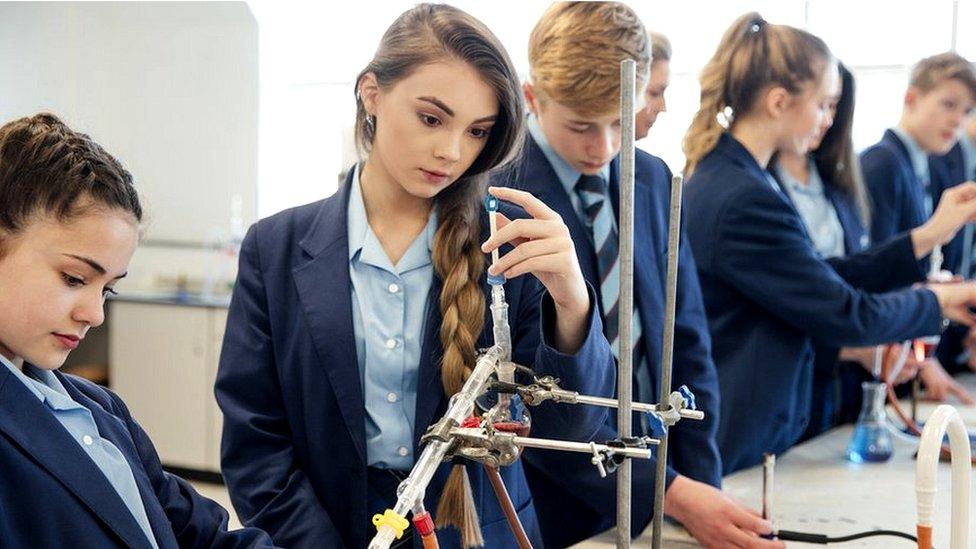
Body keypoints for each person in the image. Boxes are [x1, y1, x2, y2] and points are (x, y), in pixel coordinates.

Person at [215, 4, 615, 548]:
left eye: (477, 131)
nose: (451, 151)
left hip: (479, 532)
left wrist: (572, 302)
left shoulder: (508, 241)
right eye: (432, 118)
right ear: (371, 93)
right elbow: (256, 444)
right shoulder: (275, 249)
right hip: (329, 531)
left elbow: (573, 430)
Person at [499, 4, 779, 548]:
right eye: (581, 125)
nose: (603, 147)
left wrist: (702, 486)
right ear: (533, 98)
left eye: (618, 122)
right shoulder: (500, 196)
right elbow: (534, 397)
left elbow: (687, 342)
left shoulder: (650, 177)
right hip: (553, 509)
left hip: (671, 494)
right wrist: (669, 492)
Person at [681, 13, 976, 475]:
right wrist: (935, 300)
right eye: (824, 105)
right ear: (779, 102)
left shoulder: (742, 180)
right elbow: (847, 313)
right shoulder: (744, 197)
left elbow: (824, 274)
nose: (829, 122)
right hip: (739, 431)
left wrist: (923, 242)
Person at [0, 112, 275, 548]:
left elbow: (200, 534)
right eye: (74, 278)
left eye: (107, 289)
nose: (95, 314)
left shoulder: (99, 409)